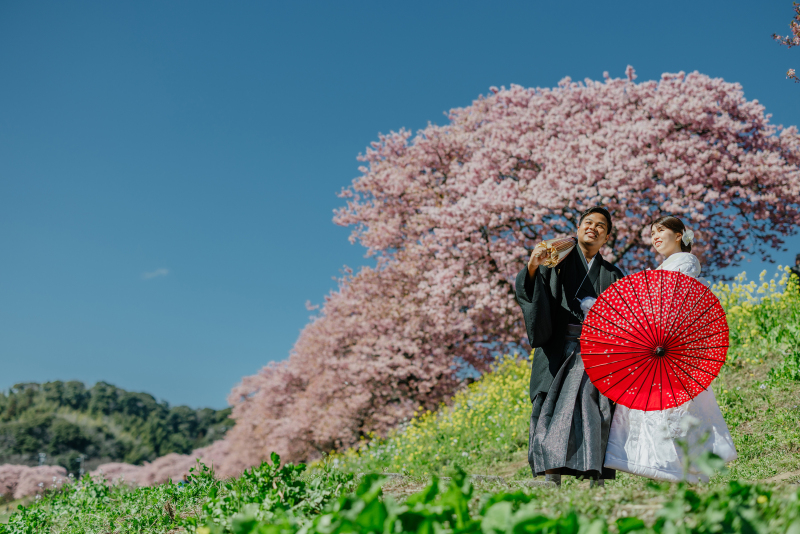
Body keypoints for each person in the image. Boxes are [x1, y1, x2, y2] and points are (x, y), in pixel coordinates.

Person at [603, 215, 737, 483]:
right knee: (661, 406)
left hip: (671, 342)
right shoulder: (663, 266)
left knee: (674, 407)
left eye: (661, 230)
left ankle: (682, 467)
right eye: (652, 232)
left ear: (678, 235)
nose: (655, 236)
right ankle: (670, 467)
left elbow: (671, 300)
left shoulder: (685, 261)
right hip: (659, 341)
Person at [515, 206, 625, 487]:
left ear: (607, 237)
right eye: (588, 222)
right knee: (552, 409)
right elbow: (533, 292)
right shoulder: (556, 260)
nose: (593, 228)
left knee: (595, 411)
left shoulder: (612, 274)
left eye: (600, 226)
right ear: (577, 228)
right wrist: (533, 265)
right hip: (559, 347)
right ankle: (550, 476)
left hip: (596, 353)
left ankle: (595, 479)